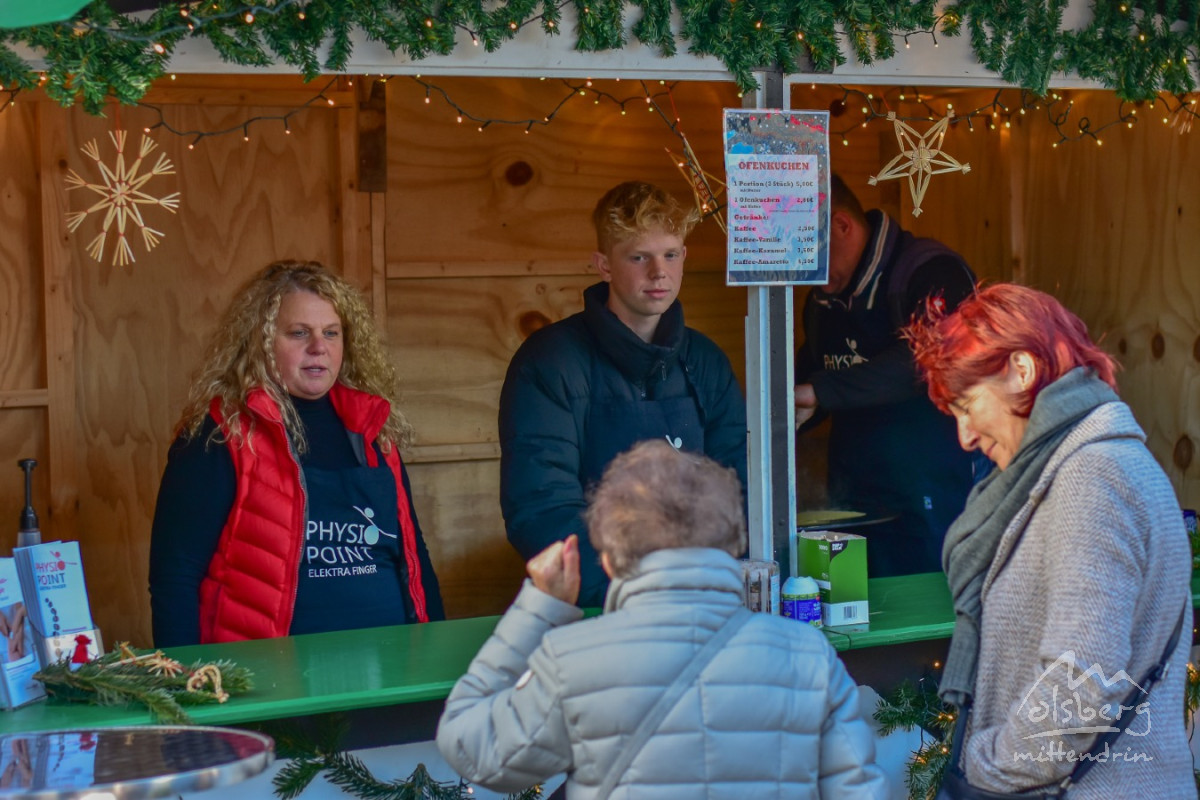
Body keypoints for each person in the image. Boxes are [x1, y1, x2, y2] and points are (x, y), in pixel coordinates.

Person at [437, 439, 887, 799]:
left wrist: (539, 607)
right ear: (733, 547)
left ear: (610, 561)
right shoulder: (810, 655)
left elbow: (470, 747)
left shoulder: (571, 660)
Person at [904, 283, 1193, 797]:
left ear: (1022, 370)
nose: (964, 437)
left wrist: (987, 763)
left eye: (968, 405)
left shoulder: (1093, 474)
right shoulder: (1079, 467)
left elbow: (1080, 686)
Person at [149, 260, 443, 646]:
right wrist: (185, 685)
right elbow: (176, 574)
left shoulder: (372, 427)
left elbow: (412, 552)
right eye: (299, 333)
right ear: (261, 341)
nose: (319, 347)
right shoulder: (222, 433)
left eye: (331, 333)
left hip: (390, 673)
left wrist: (437, 647)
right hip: (272, 686)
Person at [499, 181, 748, 607]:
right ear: (604, 265)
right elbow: (540, 507)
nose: (659, 272)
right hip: (596, 605)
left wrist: (709, 581)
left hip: (703, 599)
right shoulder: (550, 362)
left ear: (684, 258)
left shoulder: (706, 362)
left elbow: (739, 489)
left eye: (670, 254)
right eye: (639, 257)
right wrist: (630, 593)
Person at [794, 173, 977, 577]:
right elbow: (816, 372)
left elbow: (927, 359)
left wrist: (820, 392)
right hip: (850, 499)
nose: (805, 271)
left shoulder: (930, 270)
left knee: (928, 621)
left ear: (842, 225)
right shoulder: (824, 298)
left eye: (807, 251)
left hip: (930, 497)